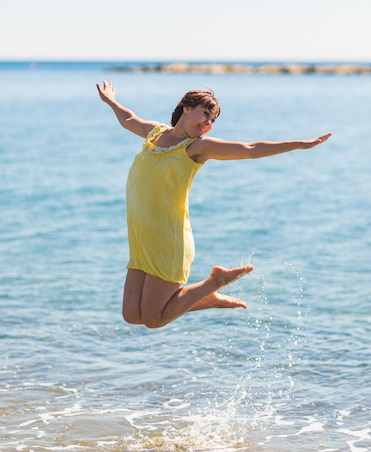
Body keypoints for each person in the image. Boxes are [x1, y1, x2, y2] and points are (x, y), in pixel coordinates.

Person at [97, 80, 331, 329]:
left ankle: (214, 282)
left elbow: (250, 148)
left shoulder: (197, 148)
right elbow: (129, 119)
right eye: (206, 114)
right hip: (142, 238)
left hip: (168, 240)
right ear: (186, 107)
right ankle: (205, 298)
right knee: (132, 314)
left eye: (212, 120)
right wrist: (111, 101)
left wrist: (297, 144)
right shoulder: (156, 133)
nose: (208, 123)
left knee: (154, 319)